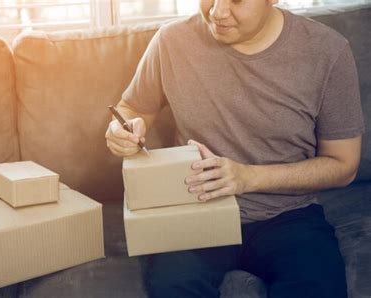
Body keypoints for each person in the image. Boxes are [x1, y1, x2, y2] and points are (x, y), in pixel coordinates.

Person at [105, 0, 365, 297]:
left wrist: (248, 177)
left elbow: (344, 165)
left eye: (237, 0)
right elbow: (132, 107)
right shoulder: (171, 40)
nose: (217, 12)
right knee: (171, 287)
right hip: (194, 211)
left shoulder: (327, 50)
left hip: (289, 216)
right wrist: (121, 130)